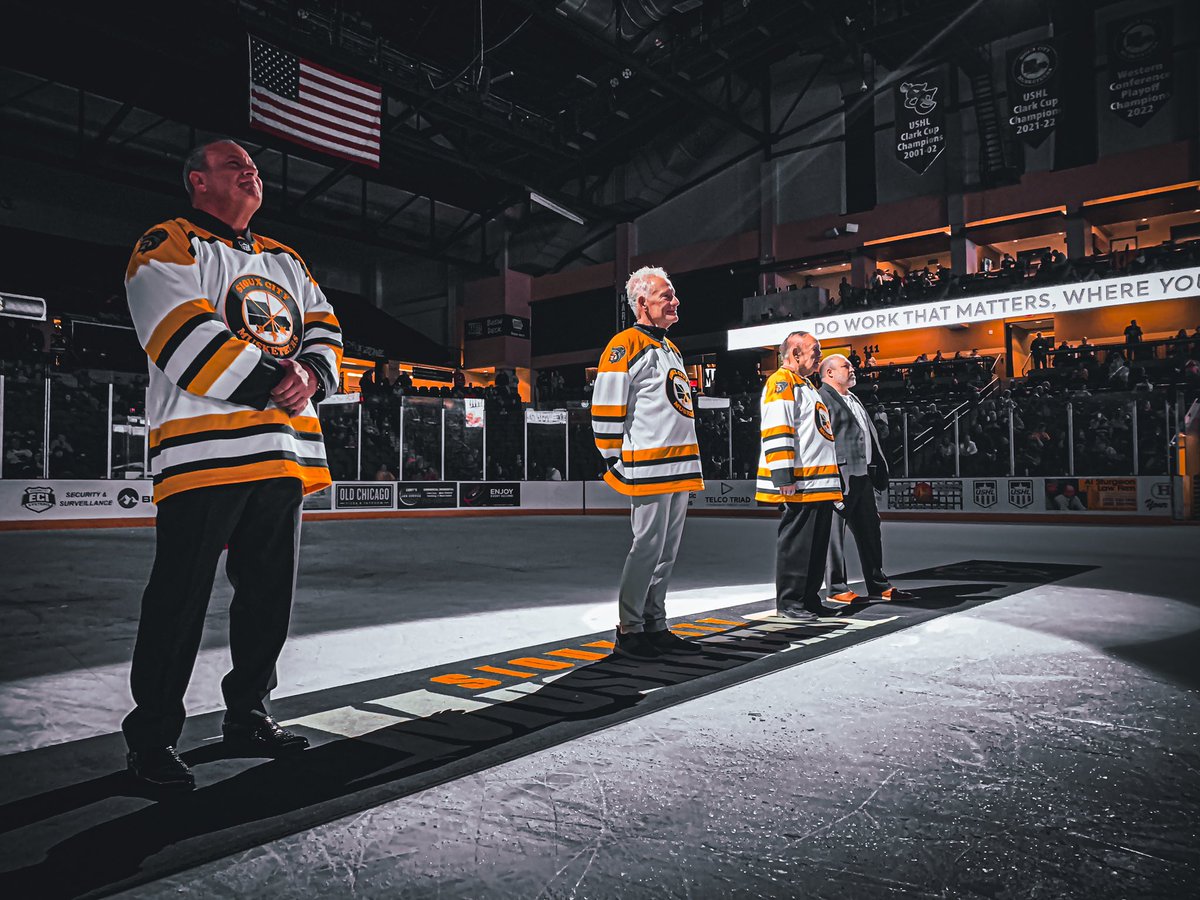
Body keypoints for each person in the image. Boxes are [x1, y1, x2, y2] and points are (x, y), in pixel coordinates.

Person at [121, 140, 341, 790]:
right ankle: (152, 737)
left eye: (253, 165)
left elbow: (325, 326)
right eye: (231, 164)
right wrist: (281, 375)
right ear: (197, 180)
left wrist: (312, 374)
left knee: (268, 599)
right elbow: (179, 332)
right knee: (179, 599)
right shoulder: (169, 242)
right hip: (203, 454)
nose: (250, 170)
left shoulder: (284, 258)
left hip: (281, 455)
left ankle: (247, 712)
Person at [592, 266, 704, 660]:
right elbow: (606, 405)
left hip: (678, 467)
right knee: (647, 548)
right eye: (666, 296)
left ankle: (655, 622)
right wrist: (612, 458)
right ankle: (630, 628)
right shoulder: (625, 344)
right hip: (649, 466)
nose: (675, 302)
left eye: (673, 295)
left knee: (667, 551)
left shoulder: (669, 347)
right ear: (642, 303)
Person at [756, 331, 843, 620]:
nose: (819, 355)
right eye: (814, 351)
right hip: (801, 482)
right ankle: (790, 602)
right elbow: (777, 427)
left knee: (816, 547)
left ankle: (808, 598)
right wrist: (783, 476)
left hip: (818, 482)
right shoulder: (781, 382)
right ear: (795, 353)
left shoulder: (806, 385)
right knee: (797, 545)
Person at [817, 355, 915, 606]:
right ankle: (836, 588)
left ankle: (878, 584)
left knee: (871, 531)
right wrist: (831, 478)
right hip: (840, 478)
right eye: (845, 366)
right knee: (834, 537)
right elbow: (820, 442)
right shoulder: (821, 398)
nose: (852, 369)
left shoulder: (852, 397)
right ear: (828, 373)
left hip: (863, 477)